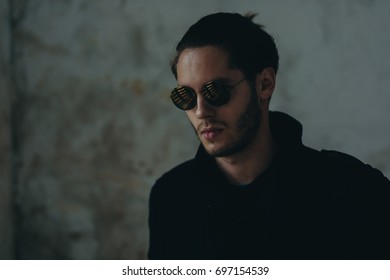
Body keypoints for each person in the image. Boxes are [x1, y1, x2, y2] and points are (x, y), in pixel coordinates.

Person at [148, 12, 390, 260]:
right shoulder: (172, 198)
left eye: (215, 92)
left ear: (264, 84)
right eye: (185, 97)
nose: (201, 111)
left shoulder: (352, 191)